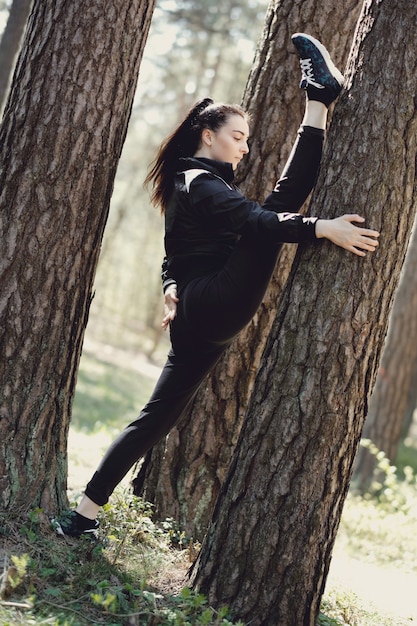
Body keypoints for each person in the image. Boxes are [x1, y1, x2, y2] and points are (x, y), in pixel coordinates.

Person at [53, 33, 379, 538]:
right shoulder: (195, 181)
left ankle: (82, 518)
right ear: (208, 134)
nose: (245, 147)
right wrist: (321, 227)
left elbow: (175, 250)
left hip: (201, 314)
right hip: (213, 303)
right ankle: (318, 97)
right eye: (237, 136)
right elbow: (254, 222)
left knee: (154, 418)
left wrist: (169, 285)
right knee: (271, 213)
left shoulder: (203, 183)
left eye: (247, 139)